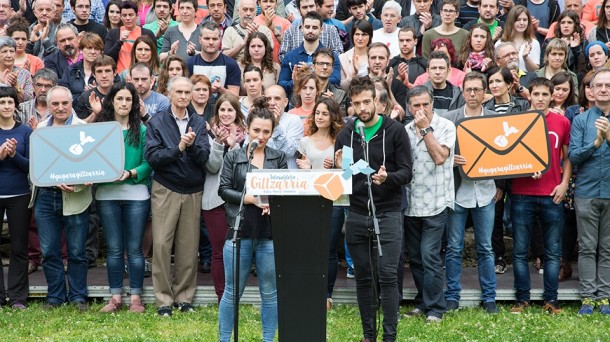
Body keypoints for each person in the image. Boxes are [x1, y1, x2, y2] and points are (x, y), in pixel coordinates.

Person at [334, 76, 412, 340]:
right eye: (357, 104)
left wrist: (388, 178)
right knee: (364, 278)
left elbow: (407, 173)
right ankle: (369, 335)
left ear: (377, 101)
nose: (363, 108)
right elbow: (343, 179)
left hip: (388, 213)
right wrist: (337, 169)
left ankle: (389, 336)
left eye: (367, 101)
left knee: (389, 276)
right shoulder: (346, 134)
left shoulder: (395, 131)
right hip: (356, 214)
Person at [218, 96, 288, 342]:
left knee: (269, 293)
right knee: (231, 292)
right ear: (247, 129)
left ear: (272, 132)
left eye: (266, 131)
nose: (261, 135)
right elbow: (223, 189)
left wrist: (274, 205)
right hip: (239, 232)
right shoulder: (234, 156)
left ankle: (269, 339)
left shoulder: (278, 157)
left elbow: (283, 189)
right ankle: (225, 339)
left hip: (268, 234)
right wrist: (245, 199)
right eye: (256, 130)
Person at [145, 76, 210, 317]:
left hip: (192, 190)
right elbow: (153, 158)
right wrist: (179, 148)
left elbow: (204, 157)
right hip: (166, 188)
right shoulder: (157, 122)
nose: (183, 96)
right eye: (179, 92)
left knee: (188, 246)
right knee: (161, 245)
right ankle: (163, 300)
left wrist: (191, 147)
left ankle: (184, 298)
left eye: (187, 92)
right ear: (169, 94)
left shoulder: (199, 122)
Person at [510, 77, 572, 314]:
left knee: (553, 251)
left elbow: (568, 157)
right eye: (536, 94)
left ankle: (551, 300)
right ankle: (522, 299)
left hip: (551, 194)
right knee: (520, 250)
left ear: (551, 96)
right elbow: (507, 156)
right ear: (530, 96)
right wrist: (524, 166)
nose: (540, 99)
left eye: (545, 95)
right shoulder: (518, 122)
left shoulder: (562, 122)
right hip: (521, 194)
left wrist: (564, 183)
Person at [441, 72, 500, 314]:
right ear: (462, 92)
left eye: (477, 90)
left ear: (485, 93)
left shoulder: (495, 119)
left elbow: (507, 156)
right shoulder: (449, 119)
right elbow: (437, 152)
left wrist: (502, 186)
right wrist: (449, 160)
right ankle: (452, 295)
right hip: (458, 192)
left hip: (486, 192)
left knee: (485, 247)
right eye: (469, 90)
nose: (473, 94)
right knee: (454, 247)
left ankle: (490, 298)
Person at [30, 85, 92, 311]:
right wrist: (54, 179)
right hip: (46, 198)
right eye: (55, 104)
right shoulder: (39, 132)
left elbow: (94, 164)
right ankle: (56, 296)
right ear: (48, 105)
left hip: (76, 197)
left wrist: (89, 177)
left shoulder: (84, 129)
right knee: (49, 251)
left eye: (64, 103)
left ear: (71, 103)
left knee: (76, 251)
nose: (60, 107)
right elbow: (34, 167)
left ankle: (77, 296)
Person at [94, 82, 152, 313]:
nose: (124, 103)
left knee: (135, 249)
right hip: (106, 194)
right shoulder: (100, 130)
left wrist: (130, 173)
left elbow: (149, 163)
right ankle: (115, 296)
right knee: (115, 249)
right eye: (120, 99)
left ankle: (136, 297)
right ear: (111, 101)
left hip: (136, 195)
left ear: (134, 103)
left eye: (128, 99)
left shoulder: (143, 130)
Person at [404, 85, 455, 323]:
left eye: (425, 104)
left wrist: (426, 130)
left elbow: (439, 157)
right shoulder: (404, 131)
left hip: (436, 202)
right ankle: (424, 301)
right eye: (416, 105)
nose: (421, 109)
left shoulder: (446, 126)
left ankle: (436, 308)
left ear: (432, 103)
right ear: (409, 107)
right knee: (414, 256)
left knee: (429, 255)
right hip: (411, 204)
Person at [568, 67, 610, 315]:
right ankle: (587, 297)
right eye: (599, 85)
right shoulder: (581, 120)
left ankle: (604, 296)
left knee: (607, 247)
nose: (604, 89)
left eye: (608, 85)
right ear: (591, 91)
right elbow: (573, 156)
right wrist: (595, 143)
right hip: (586, 192)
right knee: (586, 247)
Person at [295, 97, 344, 309]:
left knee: (329, 249)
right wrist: (306, 168)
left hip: (335, 201)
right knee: (310, 247)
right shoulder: (305, 142)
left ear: (333, 116)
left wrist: (336, 166)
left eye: (325, 113)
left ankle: (327, 295)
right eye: (317, 113)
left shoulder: (342, 141)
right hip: (310, 200)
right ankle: (309, 290)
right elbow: (301, 175)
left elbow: (348, 176)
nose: (320, 117)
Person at [483, 66, 530, 274]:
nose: (494, 85)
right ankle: (498, 257)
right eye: (491, 82)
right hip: (495, 173)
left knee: (522, 216)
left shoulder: (522, 105)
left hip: (519, 169)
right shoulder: (485, 108)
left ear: (509, 84)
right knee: (495, 216)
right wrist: (499, 183)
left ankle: (530, 256)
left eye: (498, 81)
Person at [204, 93, 246, 301]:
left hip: (237, 200)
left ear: (237, 112)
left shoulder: (245, 136)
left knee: (236, 249)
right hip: (214, 200)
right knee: (219, 251)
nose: (226, 114)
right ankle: (222, 296)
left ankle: (234, 294)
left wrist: (234, 145)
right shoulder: (208, 133)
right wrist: (220, 144)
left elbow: (243, 169)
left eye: (230, 110)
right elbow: (212, 166)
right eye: (222, 109)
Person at [0, 87, 32, 309]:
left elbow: (31, 166)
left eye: (10, 102)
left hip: (20, 194)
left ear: (15, 105)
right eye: (2, 102)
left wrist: (13, 155)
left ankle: (18, 298)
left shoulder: (26, 132)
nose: (6, 106)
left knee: (19, 248)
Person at [278, 11, 341, 98]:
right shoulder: (290, 56)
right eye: (307, 27)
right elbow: (281, 84)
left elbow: (336, 81)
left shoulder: (332, 56)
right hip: (296, 104)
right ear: (301, 28)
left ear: (321, 29)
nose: (310, 31)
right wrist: (296, 81)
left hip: (323, 102)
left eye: (315, 28)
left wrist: (310, 73)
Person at [187, 21, 241, 97]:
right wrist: (207, 89)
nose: (211, 42)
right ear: (200, 40)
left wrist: (221, 90)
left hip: (222, 107)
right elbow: (185, 93)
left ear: (220, 40)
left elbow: (235, 96)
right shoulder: (190, 64)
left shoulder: (231, 64)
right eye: (207, 38)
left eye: (215, 39)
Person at [279, 0, 343, 62]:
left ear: (317, 6)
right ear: (298, 10)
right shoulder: (290, 32)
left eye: (311, 6)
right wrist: (298, 65)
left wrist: (320, 64)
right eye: (304, 7)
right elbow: (283, 55)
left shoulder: (331, 30)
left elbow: (338, 53)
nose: (309, 10)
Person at [104, 0, 155, 74]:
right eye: (124, 15)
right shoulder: (113, 33)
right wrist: (120, 41)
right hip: (118, 76)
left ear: (137, 16)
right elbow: (107, 58)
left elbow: (153, 58)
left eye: (131, 15)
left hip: (140, 76)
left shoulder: (147, 33)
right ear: (121, 17)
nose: (128, 18)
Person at [265, 85, 303, 169]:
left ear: (285, 102)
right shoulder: (258, 121)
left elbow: (288, 152)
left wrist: (276, 126)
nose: (272, 103)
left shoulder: (294, 120)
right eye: (268, 99)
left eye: (277, 98)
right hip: (263, 177)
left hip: (287, 177)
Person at [59, 32, 104, 101]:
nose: (93, 52)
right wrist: (85, 95)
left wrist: (99, 92)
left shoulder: (107, 69)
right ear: (81, 50)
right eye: (89, 48)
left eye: (96, 49)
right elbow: (64, 95)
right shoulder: (71, 70)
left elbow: (115, 93)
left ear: (101, 52)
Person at [418, 51, 465, 115]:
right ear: (427, 71)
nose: (437, 72)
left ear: (448, 71)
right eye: (434, 68)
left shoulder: (458, 94)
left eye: (441, 68)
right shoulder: (417, 94)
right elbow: (409, 119)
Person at [495, 5, 540, 72]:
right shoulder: (500, 43)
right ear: (511, 21)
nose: (522, 23)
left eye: (525, 20)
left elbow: (535, 71)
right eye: (518, 20)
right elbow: (497, 67)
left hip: (527, 81)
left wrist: (525, 57)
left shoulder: (534, 43)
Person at [541, 10, 586, 76]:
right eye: (563, 23)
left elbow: (582, 68)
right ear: (559, 25)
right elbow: (543, 64)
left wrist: (576, 49)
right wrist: (560, 47)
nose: (566, 25)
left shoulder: (583, 43)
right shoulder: (549, 42)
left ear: (575, 25)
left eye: (570, 22)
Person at [73, 55, 117, 122]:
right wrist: (95, 113)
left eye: (107, 71)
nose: (104, 76)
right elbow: (80, 126)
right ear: (93, 74)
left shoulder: (123, 94)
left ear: (115, 72)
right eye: (99, 71)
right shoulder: (86, 97)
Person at [365, 42, 407, 111]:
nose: (377, 61)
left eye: (381, 58)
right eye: (373, 58)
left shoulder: (397, 84)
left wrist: (388, 88)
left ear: (388, 62)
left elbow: (401, 114)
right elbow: (351, 111)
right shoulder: (360, 82)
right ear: (368, 60)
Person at [339, 19, 371, 91]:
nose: (360, 38)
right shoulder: (342, 58)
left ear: (370, 36)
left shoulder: (375, 56)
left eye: (364, 35)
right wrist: (353, 74)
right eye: (357, 34)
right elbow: (342, 88)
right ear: (352, 36)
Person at [313, 48, 347, 114]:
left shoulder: (340, 94)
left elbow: (342, 120)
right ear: (313, 67)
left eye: (328, 64)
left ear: (332, 69)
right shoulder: (304, 90)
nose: (325, 67)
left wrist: (333, 105)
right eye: (321, 63)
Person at [0, 37, 33, 103]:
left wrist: (16, 86)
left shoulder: (24, 73)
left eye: (12, 51)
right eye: (4, 51)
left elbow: (29, 100)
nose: (9, 55)